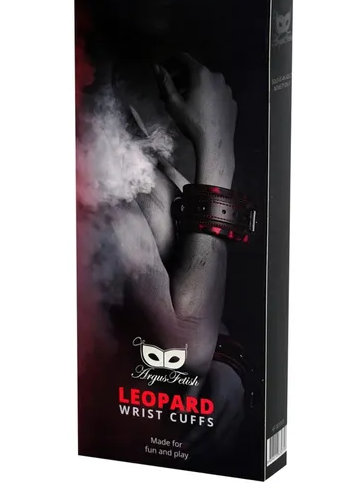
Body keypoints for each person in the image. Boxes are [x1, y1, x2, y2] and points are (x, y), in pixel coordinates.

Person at [77, 54, 244, 460]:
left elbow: (178, 285)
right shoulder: (84, 150)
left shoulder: (117, 116)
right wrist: (218, 150)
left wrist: (226, 359)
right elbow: (182, 350)